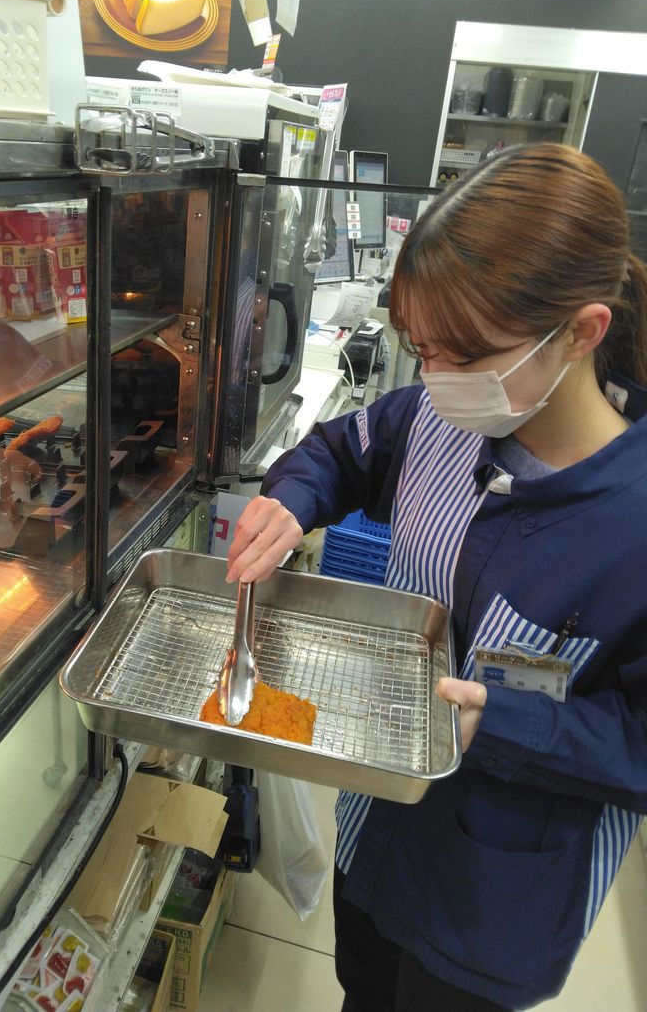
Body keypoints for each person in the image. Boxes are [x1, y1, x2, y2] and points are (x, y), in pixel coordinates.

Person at [225, 142, 647, 1011]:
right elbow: (343, 450)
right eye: (422, 349)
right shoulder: (436, 416)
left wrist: (505, 723)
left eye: (466, 354)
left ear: (581, 332)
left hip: (492, 898)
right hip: (377, 825)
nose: (436, 379)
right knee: (363, 984)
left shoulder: (629, 522)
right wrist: (293, 501)